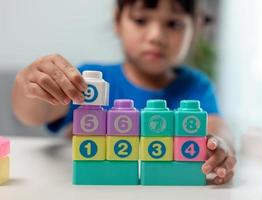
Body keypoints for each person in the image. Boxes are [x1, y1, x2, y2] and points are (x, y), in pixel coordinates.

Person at [12, 0, 236, 185]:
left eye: (174, 24)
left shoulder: (195, 86)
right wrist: (30, 86)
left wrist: (219, 147)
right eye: (140, 20)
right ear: (117, 21)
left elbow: (216, 130)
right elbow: (32, 114)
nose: (156, 36)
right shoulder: (89, 79)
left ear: (195, 28)